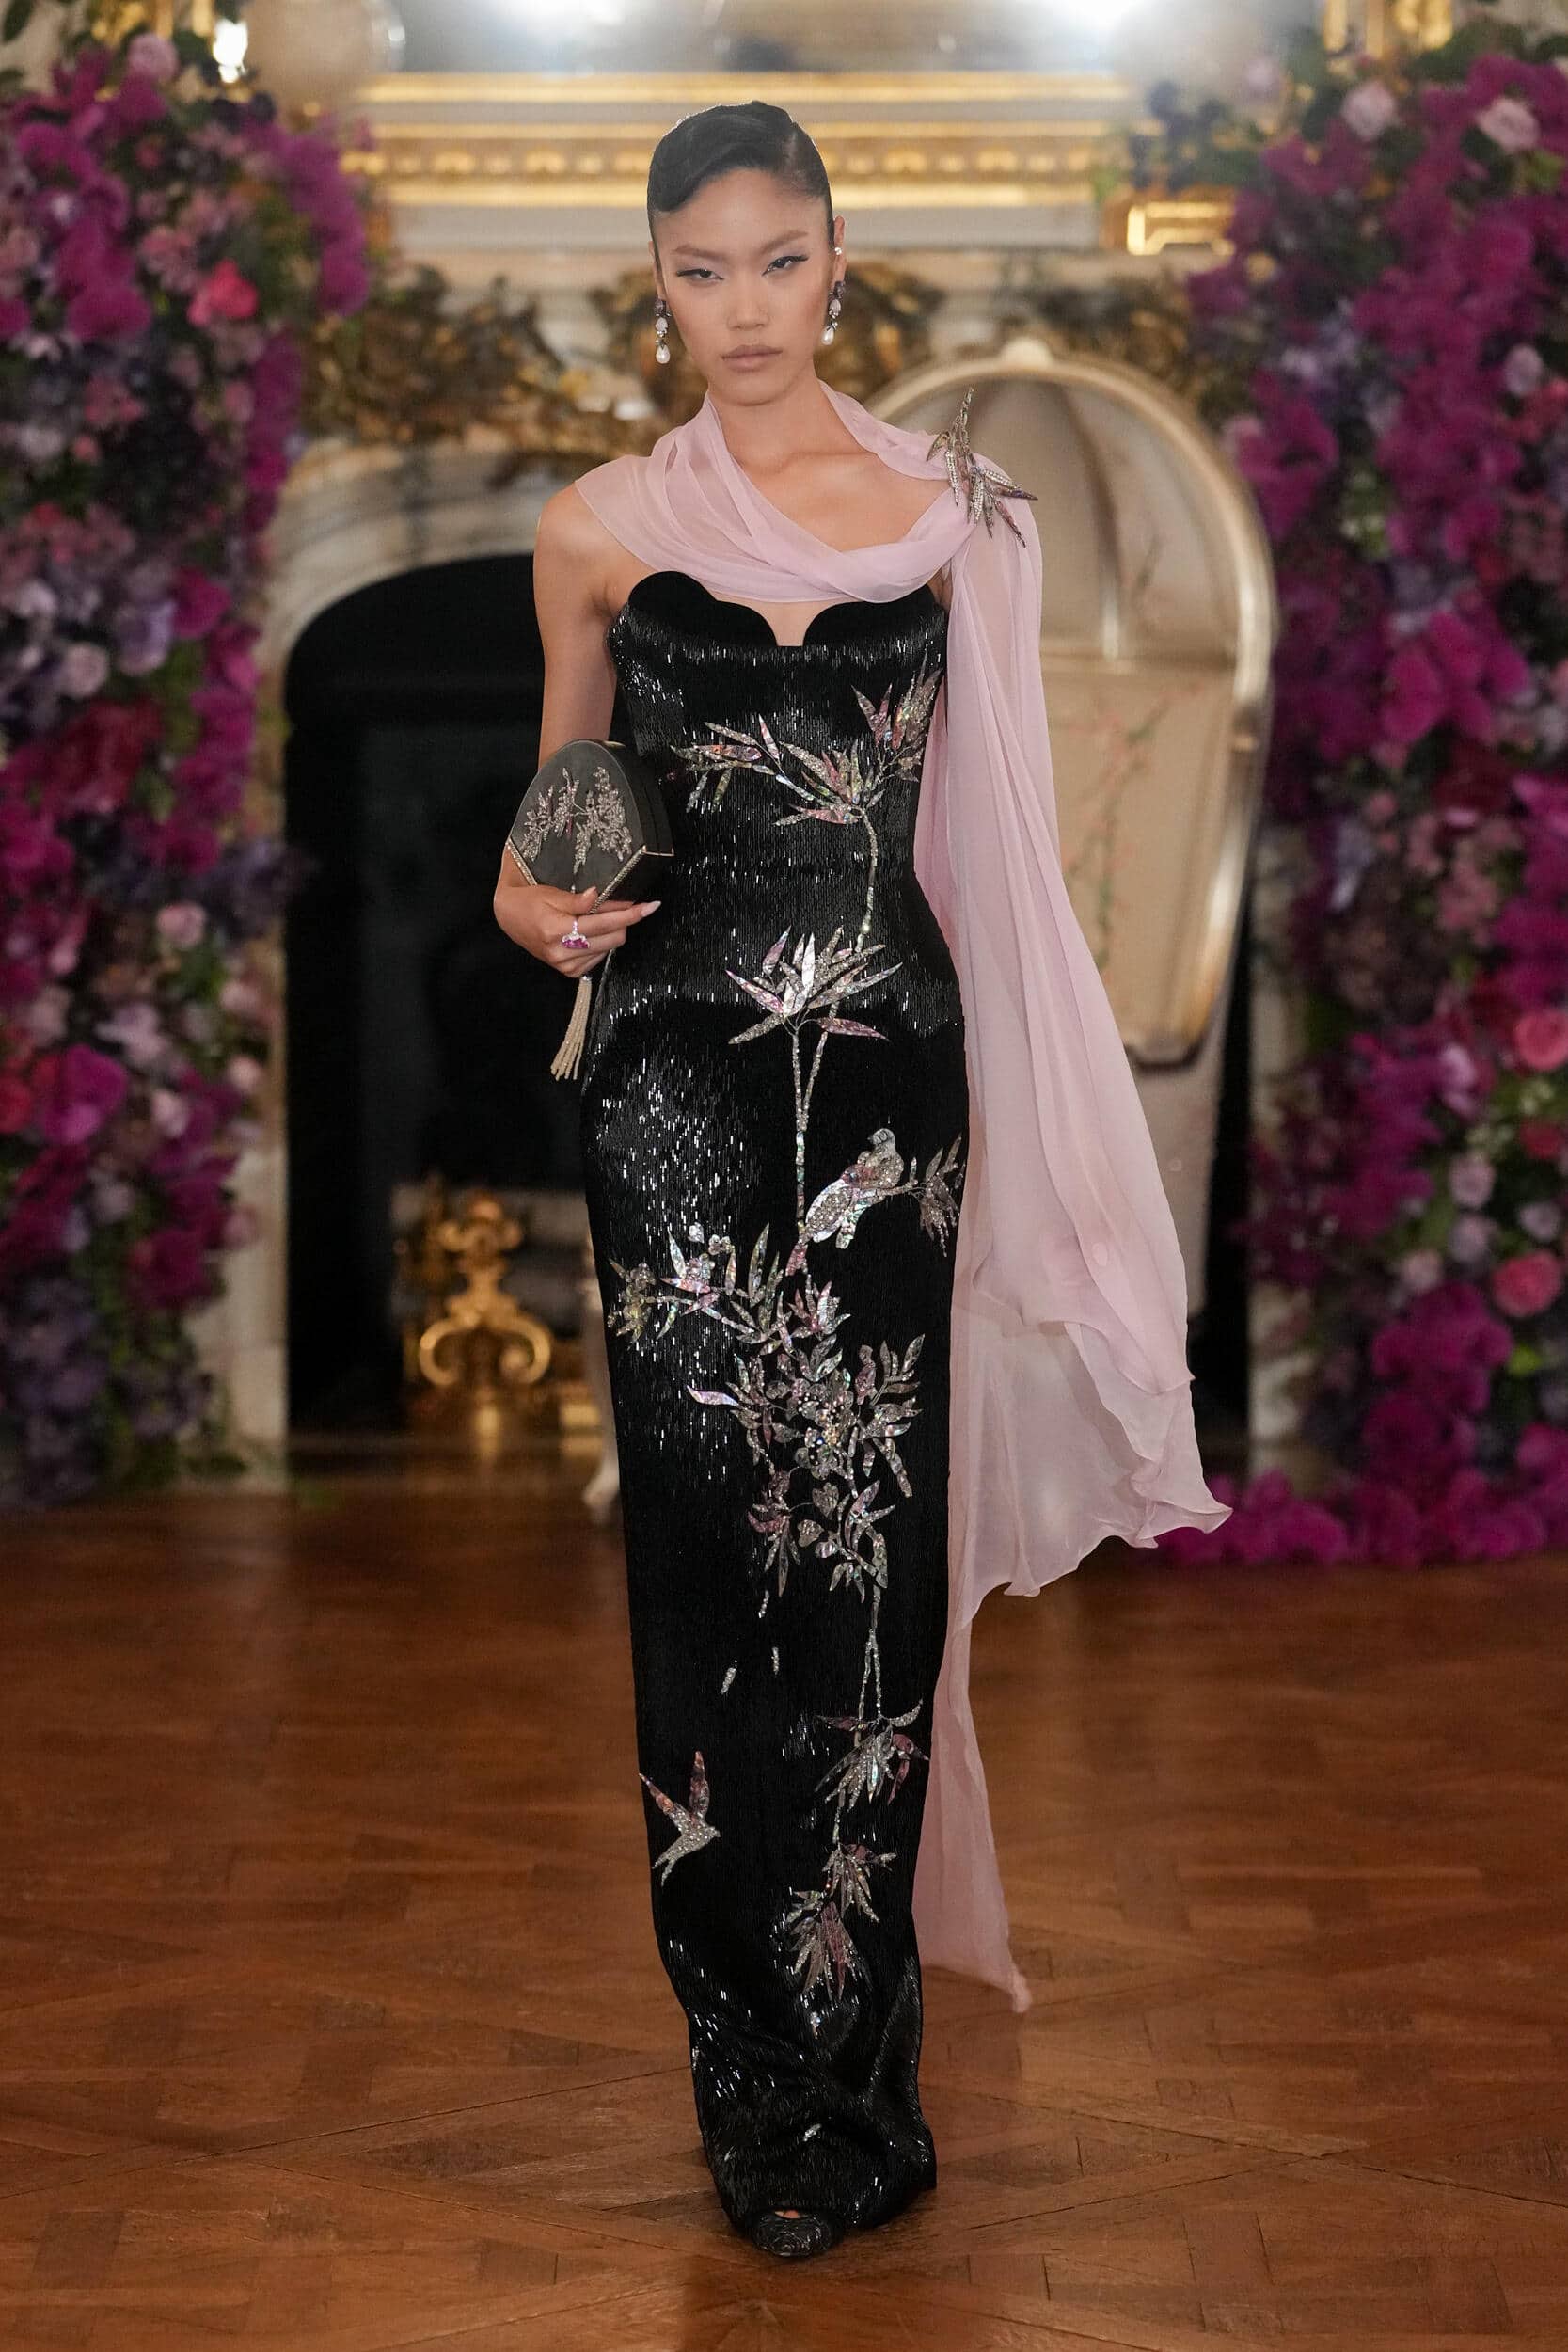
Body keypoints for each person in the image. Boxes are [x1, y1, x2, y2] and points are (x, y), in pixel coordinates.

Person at [494, 100, 1231, 2261]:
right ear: (655, 283)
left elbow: (997, 855)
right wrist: (535, 907)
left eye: (779, 259)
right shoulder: (595, 529)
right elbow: (554, 827)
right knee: (705, 1551)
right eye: (700, 268)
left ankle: (856, 2057)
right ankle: (746, 2064)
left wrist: (1053, 1149)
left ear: (838, 263)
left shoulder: (958, 516)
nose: (744, 305)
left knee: (871, 1555)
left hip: (896, 1082)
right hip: (671, 1094)